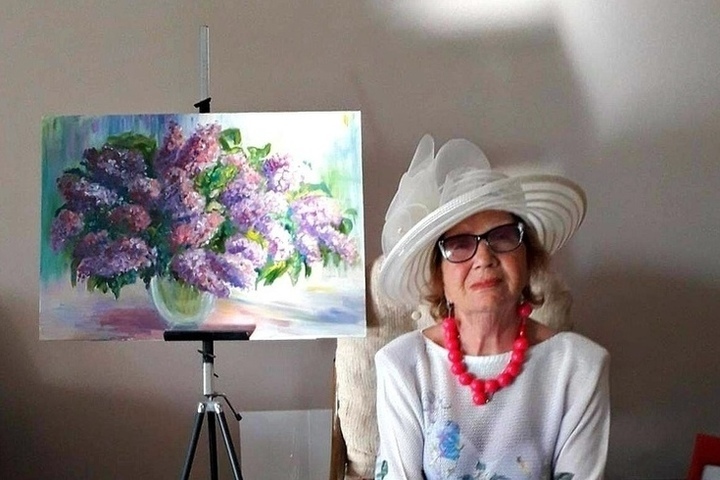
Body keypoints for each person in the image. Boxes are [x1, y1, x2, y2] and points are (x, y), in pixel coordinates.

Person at [373, 135, 610, 480]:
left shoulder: (580, 368)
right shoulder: (402, 366)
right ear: (440, 276)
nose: (484, 257)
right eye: (459, 244)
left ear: (527, 259)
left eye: (502, 236)